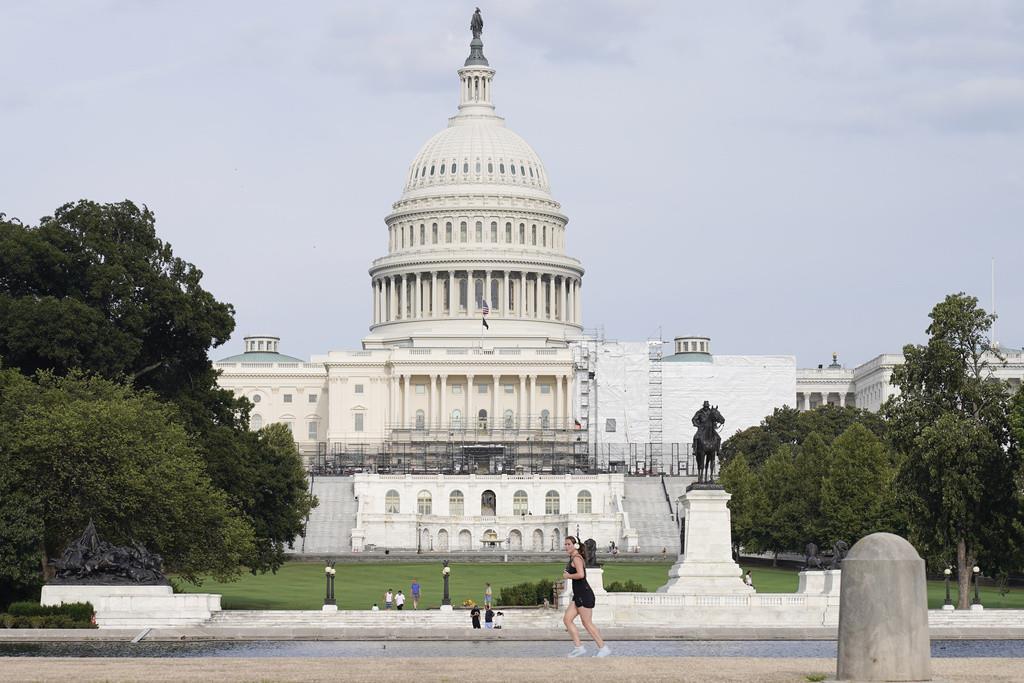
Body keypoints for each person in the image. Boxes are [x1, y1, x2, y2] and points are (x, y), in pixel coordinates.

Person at [562, 535, 611, 657]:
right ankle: (579, 647)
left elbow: (581, 575)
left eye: (569, 544)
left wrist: (568, 576)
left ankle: (603, 648)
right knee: (567, 619)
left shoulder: (576, 558)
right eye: (566, 544)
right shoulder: (574, 557)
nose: (566, 546)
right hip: (578, 595)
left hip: (584, 594)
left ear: (575, 546)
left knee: (587, 623)